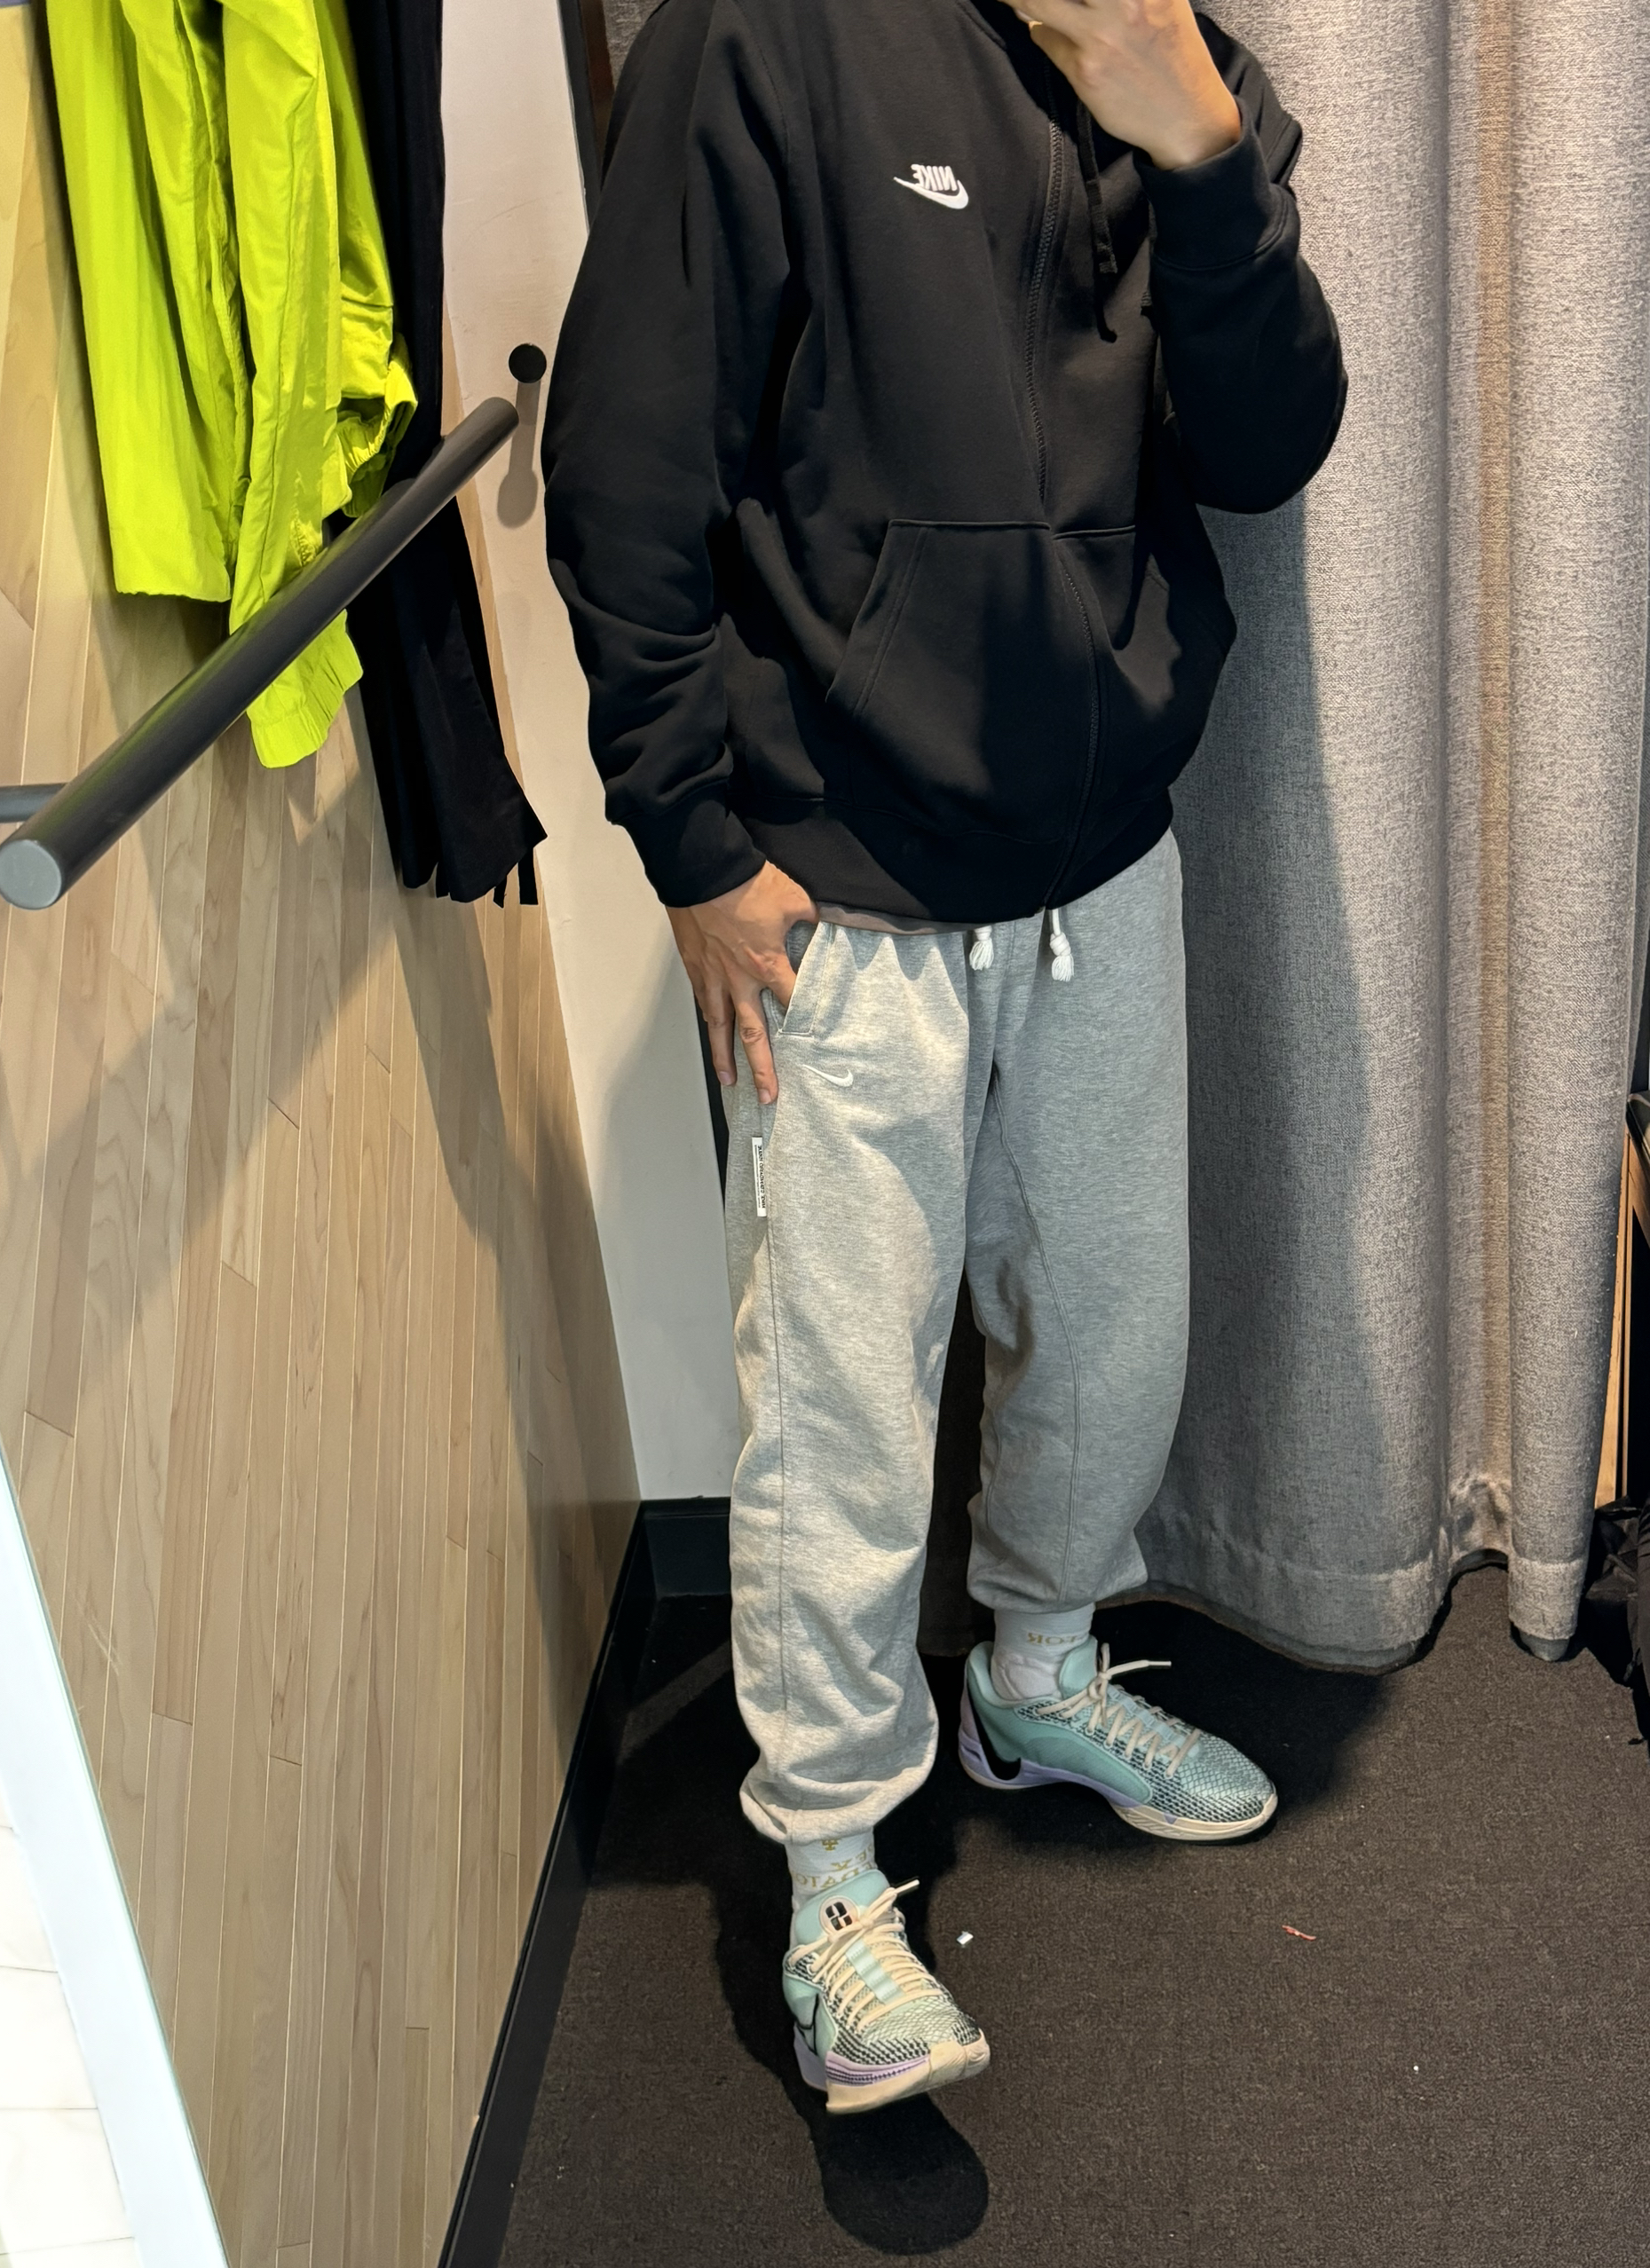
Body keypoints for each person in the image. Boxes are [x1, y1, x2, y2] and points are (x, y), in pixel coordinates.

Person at [543, 0, 1345, 2117]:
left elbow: (1264, 445)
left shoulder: (1184, 58)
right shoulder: (764, 34)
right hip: (837, 888)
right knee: (839, 1408)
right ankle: (830, 1874)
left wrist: (1194, 146)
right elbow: (623, 453)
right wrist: (689, 840)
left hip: (1103, 857)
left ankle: (1034, 1675)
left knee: (1111, 1332)